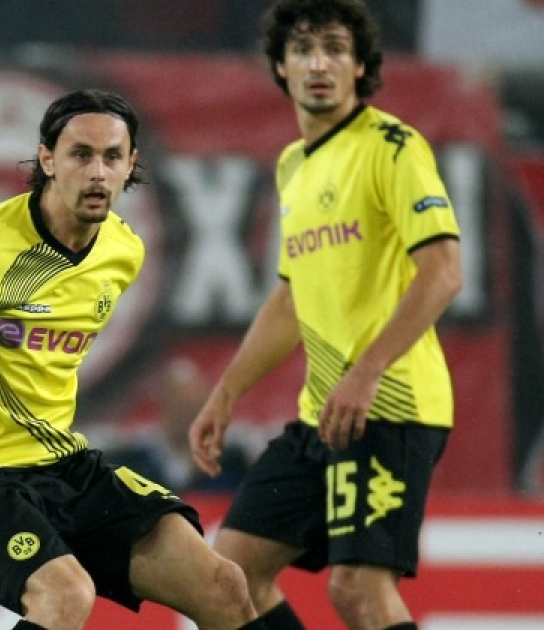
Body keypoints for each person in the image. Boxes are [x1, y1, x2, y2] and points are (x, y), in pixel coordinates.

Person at [0, 88, 270, 630]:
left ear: (131, 165)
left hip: (60, 463)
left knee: (225, 587)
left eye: (112, 157)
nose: (97, 172)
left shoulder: (123, 251)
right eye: (80, 155)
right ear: (47, 160)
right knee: (65, 597)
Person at [187, 2, 464, 630]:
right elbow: (291, 299)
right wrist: (225, 393)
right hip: (322, 416)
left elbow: (444, 271)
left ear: (360, 66)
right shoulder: (295, 164)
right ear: (281, 67)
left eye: (336, 49)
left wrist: (367, 371)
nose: (319, 63)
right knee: (230, 574)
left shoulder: (392, 148)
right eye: (304, 49)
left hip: (390, 406)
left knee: (358, 590)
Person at [107, 356, 253, 494]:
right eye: (181, 406)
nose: (191, 416)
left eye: (198, 407)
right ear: (163, 404)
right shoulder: (137, 459)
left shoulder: (232, 460)